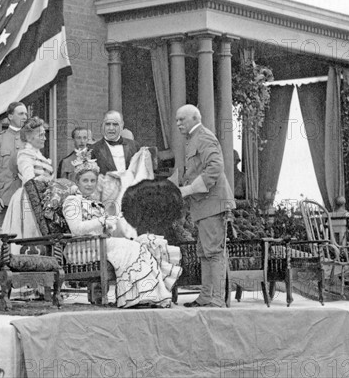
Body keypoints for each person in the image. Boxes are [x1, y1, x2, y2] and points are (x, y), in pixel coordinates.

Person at [62, 151, 181, 308]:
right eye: (85, 181)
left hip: (99, 244)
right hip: (81, 247)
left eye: (92, 180)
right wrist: (101, 220)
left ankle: (147, 295)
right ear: (77, 182)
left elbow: (101, 229)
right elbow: (76, 229)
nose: (89, 184)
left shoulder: (95, 202)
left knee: (144, 244)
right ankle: (135, 297)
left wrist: (109, 225)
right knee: (130, 247)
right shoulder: (72, 201)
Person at [175, 104, 235, 308]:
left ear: (194, 118)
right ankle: (206, 296)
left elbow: (216, 167)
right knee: (204, 252)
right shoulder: (194, 139)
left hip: (212, 204)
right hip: (203, 206)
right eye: (177, 120)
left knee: (214, 252)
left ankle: (216, 299)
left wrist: (189, 189)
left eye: (181, 120)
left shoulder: (204, 136)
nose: (178, 124)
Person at [2, 116, 54, 248]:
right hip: (28, 198)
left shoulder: (41, 156)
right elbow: (28, 179)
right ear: (30, 137)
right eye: (41, 135)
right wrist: (45, 180)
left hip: (43, 198)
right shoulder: (25, 154)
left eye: (44, 134)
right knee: (28, 232)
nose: (45, 138)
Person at [0, 102, 28, 224]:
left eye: (26, 114)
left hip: (26, 198)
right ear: (10, 116)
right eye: (21, 113)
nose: (24, 117)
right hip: (3, 199)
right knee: (4, 236)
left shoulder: (30, 141)